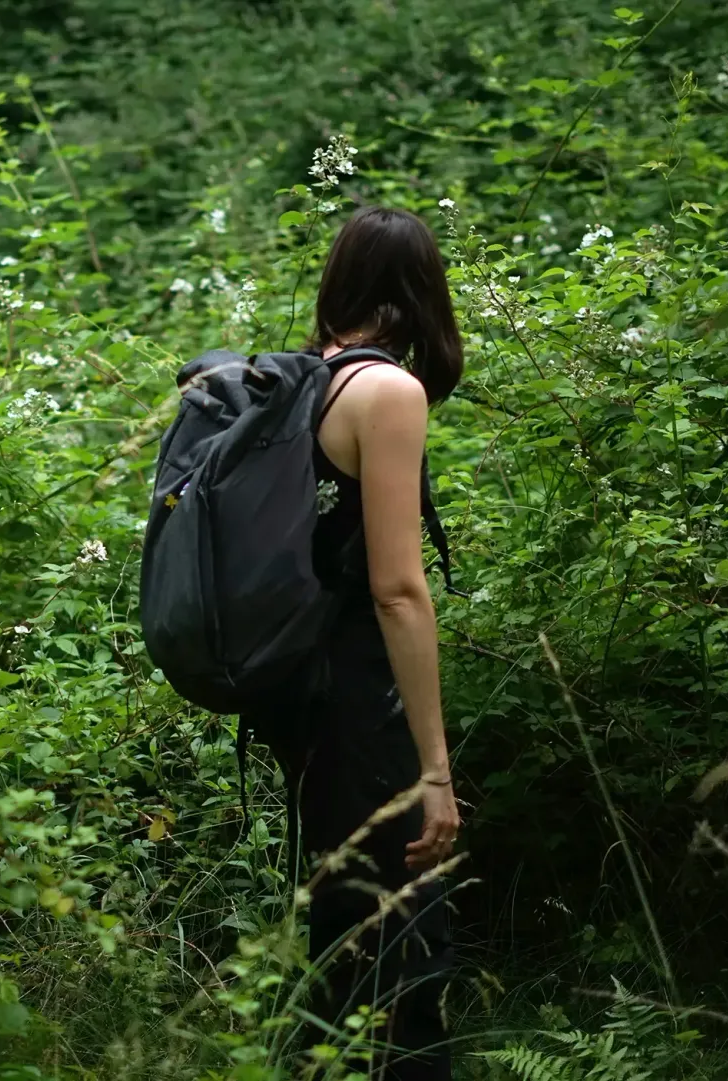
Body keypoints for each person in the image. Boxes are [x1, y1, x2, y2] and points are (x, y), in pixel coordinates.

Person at [252, 205, 465, 1080]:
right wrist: (435, 771)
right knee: (400, 940)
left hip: (299, 690)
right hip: (359, 696)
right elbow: (398, 589)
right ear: (418, 290)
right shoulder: (387, 391)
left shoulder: (304, 380)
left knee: (345, 931)